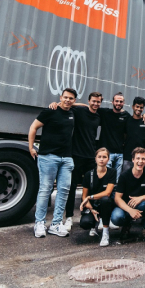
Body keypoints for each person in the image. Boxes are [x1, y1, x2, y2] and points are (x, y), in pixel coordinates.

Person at [30, 87, 77, 238]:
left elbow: (86, 106)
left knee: (63, 191)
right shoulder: (50, 111)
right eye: (65, 97)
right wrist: (31, 147)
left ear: (74, 101)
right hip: (48, 156)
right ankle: (39, 223)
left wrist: (73, 104)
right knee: (45, 190)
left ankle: (56, 224)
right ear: (61, 97)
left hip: (66, 158)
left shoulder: (72, 112)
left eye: (71, 98)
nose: (68, 100)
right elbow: (33, 127)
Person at [63, 91, 102, 232]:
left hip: (91, 157)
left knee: (92, 188)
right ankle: (68, 217)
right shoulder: (79, 111)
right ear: (89, 101)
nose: (95, 104)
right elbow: (68, 103)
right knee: (72, 187)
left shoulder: (99, 115)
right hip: (76, 155)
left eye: (98, 102)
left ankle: (89, 215)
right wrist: (84, 105)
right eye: (93, 101)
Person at [111, 147, 145, 242]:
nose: (140, 161)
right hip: (125, 206)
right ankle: (126, 225)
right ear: (133, 160)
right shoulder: (124, 175)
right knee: (116, 217)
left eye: (143, 159)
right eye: (138, 158)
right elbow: (117, 198)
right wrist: (130, 210)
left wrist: (140, 198)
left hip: (141, 204)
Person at [79, 148, 117, 247]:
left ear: (108, 159)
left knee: (105, 199)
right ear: (95, 159)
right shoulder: (88, 174)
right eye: (99, 157)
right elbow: (84, 196)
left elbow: (107, 193)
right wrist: (91, 209)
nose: (101, 159)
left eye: (104, 157)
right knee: (85, 223)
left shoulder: (112, 172)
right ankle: (94, 226)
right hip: (93, 206)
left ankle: (105, 232)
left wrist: (90, 197)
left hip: (106, 204)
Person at [98, 92, 129, 179]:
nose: (118, 103)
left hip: (120, 153)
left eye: (121, 101)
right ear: (112, 102)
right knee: (105, 178)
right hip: (106, 153)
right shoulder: (105, 113)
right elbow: (88, 107)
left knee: (116, 180)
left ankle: (114, 193)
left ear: (124, 103)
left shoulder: (126, 116)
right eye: (117, 101)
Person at [123, 96, 145, 170]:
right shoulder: (127, 120)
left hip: (142, 158)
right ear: (133, 107)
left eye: (141, 107)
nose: (139, 109)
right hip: (128, 157)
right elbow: (124, 135)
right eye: (137, 106)